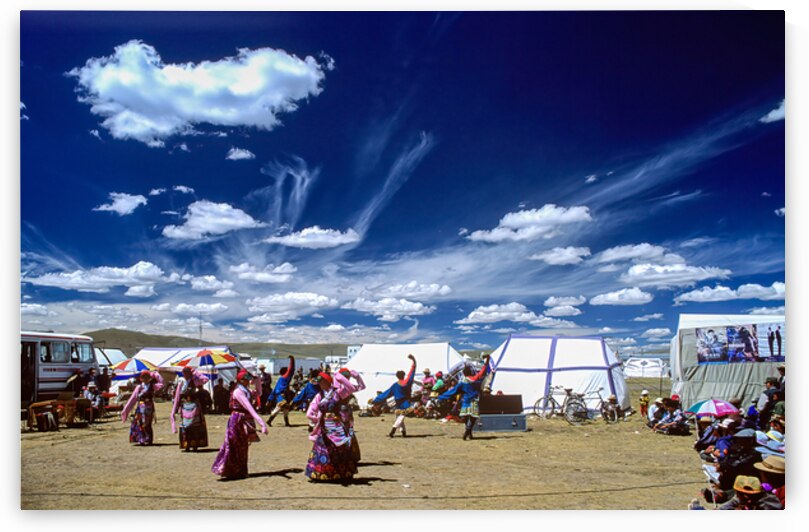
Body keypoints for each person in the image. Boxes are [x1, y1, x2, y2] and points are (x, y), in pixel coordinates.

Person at [211, 369, 268, 480]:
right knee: (233, 445)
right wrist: (262, 423)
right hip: (237, 420)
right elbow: (249, 408)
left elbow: (259, 393)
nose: (248, 381)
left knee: (242, 446)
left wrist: (257, 380)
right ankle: (228, 470)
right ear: (241, 380)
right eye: (246, 379)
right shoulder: (238, 392)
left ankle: (240, 471)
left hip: (243, 420)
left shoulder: (246, 390)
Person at [304, 372, 358, 483]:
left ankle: (343, 474)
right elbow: (310, 412)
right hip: (325, 427)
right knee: (323, 450)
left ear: (328, 382)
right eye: (319, 382)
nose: (320, 384)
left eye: (322, 382)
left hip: (337, 427)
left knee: (340, 449)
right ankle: (320, 473)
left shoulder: (337, 393)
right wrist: (318, 420)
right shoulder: (319, 396)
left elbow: (351, 388)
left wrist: (341, 378)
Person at [437, 356, 492, 440]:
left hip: (465, 401)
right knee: (473, 417)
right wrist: (487, 361)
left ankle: (468, 432)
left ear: (464, 373)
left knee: (466, 417)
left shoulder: (462, 382)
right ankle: (468, 430)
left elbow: (453, 391)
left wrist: (441, 397)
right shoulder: (476, 378)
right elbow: (483, 371)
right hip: (474, 400)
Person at [372, 354, 417, 438]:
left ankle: (393, 430)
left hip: (399, 403)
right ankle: (402, 432)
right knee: (400, 418)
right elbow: (412, 373)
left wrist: (375, 400)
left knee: (400, 417)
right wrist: (414, 361)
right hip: (405, 402)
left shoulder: (395, 385)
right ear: (404, 375)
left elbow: (386, 394)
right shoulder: (407, 382)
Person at [120, 370, 164, 446]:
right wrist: (126, 410)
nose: (145, 379)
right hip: (140, 407)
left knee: (147, 423)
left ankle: (149, 439)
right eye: (144, 377)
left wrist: (156, 374)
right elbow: (133, 398)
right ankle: (141, 439)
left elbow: (162, 384)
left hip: (149, 407)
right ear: (141, 379)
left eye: (147, 377)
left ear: (150, 378)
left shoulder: (152, 386)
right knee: (140, 423)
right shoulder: (139, 387)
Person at [170, 367, 210, 452]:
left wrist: (196, 373)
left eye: (188, 372)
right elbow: (178, 394)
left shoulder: (195, 381)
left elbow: (206, 379)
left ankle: (195, 444)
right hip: (184, 406)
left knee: (194, 426)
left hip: (194, 406)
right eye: (184, 372)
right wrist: (176, 406)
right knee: (185, 426)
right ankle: (187, 444)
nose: (186, 374)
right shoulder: (181, 381)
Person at [333, 367, 366, 461]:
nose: (347, 378)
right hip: (342, 413)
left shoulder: (342, 388)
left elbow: (361, 387)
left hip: (343, 413)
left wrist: (358, 377)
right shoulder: (340, 388)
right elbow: (361, 386)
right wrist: (358, 378)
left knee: (344, 433)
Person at [266, 356, 296, 427]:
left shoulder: (280, 379)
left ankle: (286, 422)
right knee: (279, 407)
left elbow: (274, 389)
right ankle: (269, 420)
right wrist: (292, 359)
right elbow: (291, 369)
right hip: (282, 395)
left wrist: (269, 399)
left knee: (285, 408)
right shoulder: (285, 377)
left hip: (280, 395)